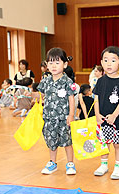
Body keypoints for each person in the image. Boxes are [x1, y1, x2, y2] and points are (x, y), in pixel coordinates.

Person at [37, 47, 76, 175]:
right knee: (51, 140)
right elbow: (40, 95)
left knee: (67, 141)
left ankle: (70, 163)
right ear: (47, 64)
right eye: (50, 62)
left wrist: (71, 115)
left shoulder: (67, 81)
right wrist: (30, 96)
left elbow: (71, 99)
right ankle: (52, 163)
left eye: (57, 62)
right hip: (49, 117)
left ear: (65, 64)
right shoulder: (45, 80)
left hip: (64, 117)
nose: (53, 66)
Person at [93, 46, 119, 180]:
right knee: (104, 143)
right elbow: (96, 99)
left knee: (117, 144)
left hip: (117, 120)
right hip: (102, 120)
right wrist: (97, 114)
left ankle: (118, 167)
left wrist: (114, 115)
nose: (109, 63)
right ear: (101, 62)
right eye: (106, 60)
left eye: (113, 60)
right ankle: (104, 165)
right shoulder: (100, 81)